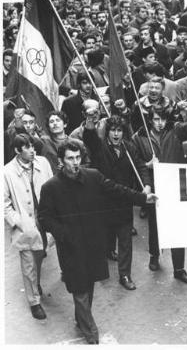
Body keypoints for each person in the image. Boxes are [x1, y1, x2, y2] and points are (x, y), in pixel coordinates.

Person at [38, 139, 157, 344]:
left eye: (78, 157)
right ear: (61, 160)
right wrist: (63, 234)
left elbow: (117, 189)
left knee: (89, 284)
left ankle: (80, 317)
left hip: (93, 243)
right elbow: (44, 218)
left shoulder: (92, 176)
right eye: (70, 158)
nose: (75, 162)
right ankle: (90, 330)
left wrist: (142, 198)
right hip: (71, 247)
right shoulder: (51, 187)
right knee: (80, 287)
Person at [83, 114, 152, 291]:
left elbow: (141, 166)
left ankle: (125, 274)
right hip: (103, 202)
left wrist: (146, 185)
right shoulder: (99, 147)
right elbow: (89, 138)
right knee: (104, 236)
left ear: (123, 132)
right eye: (112, 130)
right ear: (107, 132)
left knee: (125, 240)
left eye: (119, 130)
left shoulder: (129, 148)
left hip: (124, 202)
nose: (116, 134)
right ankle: (101, 262)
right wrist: (90, 123)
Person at [132, 104, 187, 282]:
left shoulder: (175, 130)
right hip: (153, 186)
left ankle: (179, 268)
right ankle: (154, 255)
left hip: (174, 185)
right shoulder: (139, 137)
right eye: (156, 119)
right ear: (149, 119)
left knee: (177, 226)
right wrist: (147, 174)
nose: (160, 123)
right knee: (155, 225)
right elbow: (138, 164)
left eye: (162, 119)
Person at [4, 134, 54, 320]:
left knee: (40, 255)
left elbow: (53, 186)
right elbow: (4, 203)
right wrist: (18, 222)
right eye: (27, 147)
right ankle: (34, 301)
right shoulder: (7, 172)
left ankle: (36, 283)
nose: (33, 150)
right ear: (17, 151)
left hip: (45, 219)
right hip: (25, 223)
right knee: (28, 263)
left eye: (33, 146)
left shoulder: (43, 163)